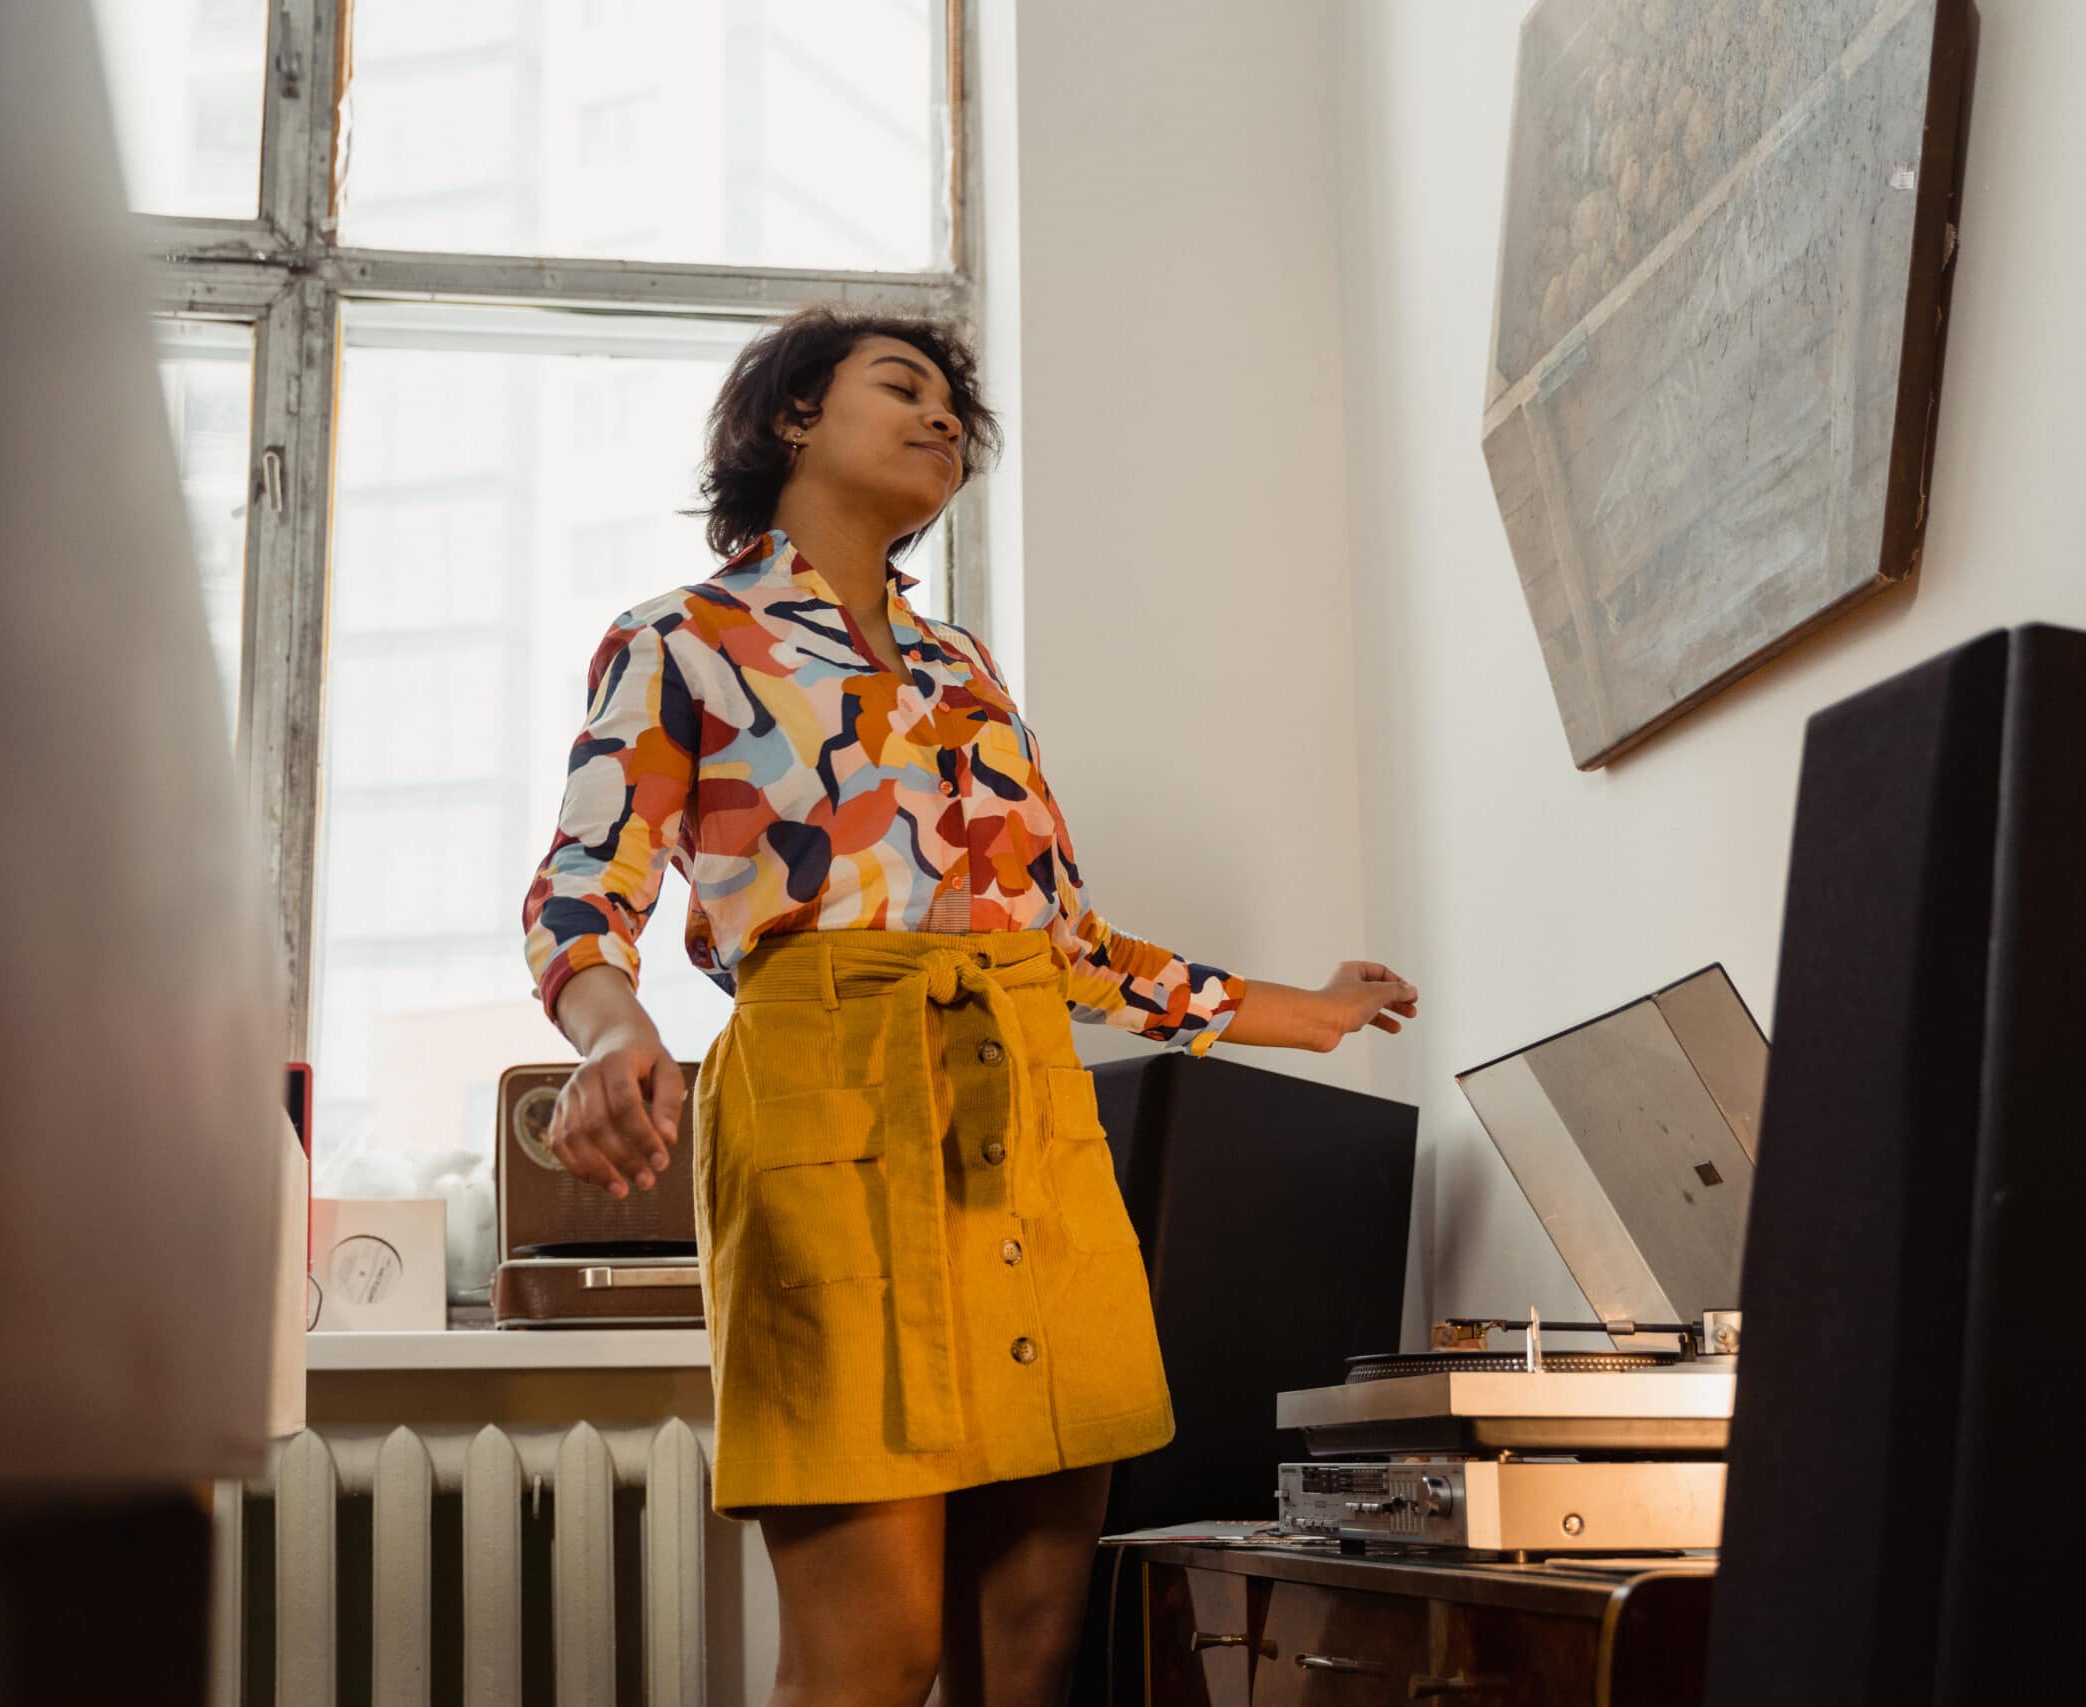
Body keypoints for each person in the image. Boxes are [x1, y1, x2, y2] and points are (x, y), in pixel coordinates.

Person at [520, 305, 1418, 1707]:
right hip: (830, 1120)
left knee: (1033, 1651)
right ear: (790, 420)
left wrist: (1300, 1012)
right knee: (870, 1656)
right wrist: (613, 1030)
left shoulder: (967, 672)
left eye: (957, 406)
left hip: (1030, 1136)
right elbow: (585, 885)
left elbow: (1067, 941)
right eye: (905, 388)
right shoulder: (679, 639)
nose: (945, 418)